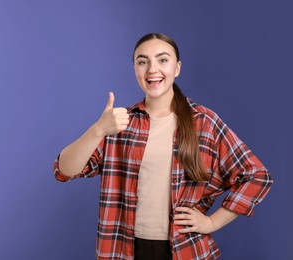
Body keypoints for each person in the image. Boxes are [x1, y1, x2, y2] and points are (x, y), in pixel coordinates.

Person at [53, 33, 273, 260]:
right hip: (124, 249)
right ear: (135, 69)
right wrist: (97, 129)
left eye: (162, 60)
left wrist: (212, 222)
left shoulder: (203, 122)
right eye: (142, 61)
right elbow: (64, 170)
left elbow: (256, 175)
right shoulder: (119, 123)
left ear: (177, 68)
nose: (152, 69)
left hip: (184, 249)